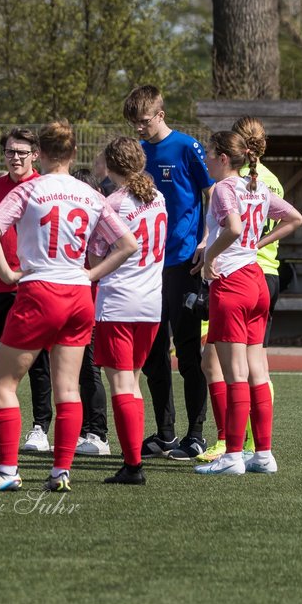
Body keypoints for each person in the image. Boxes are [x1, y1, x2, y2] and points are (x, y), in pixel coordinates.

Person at [0, 120, 137, 493]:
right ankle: (60, 471)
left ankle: (8, 472)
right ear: (74, 153)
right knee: (68, 389)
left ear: (39, 153)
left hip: (40, 289)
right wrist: (91, 275)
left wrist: (8, 275)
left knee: (1, 384)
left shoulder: (30, 189)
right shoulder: (90, 194)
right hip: (77, 295)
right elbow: (127, 244)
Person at [194, 130, 302, 476]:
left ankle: (232, 456)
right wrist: (258, 244)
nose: (205, 159)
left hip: (234, 283)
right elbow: (295, 218)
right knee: (258, 371)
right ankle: (264, 454)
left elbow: (235, 228)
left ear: (224, 158)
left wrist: (210, 256)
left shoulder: (226, 188)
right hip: (257, 282)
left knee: (234, 374)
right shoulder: (255, 186)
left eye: (209, 153)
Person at [124, 85, 212, 460]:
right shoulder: (138, 153)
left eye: (143, 121)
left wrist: (206, 241)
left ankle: (196, 434)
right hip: (147, 266)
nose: (139, 129)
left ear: (160, 114)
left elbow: (212, 194)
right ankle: (165, 433)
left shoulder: (187, 147)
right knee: (153, 352)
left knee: (189, 351)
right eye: (134, 123)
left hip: (183, 263)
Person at [0, 128, 53, 453]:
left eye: (21, 151)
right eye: (9, 152)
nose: (15, 157)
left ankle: (40, 428)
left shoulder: (44, 188)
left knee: (38, 361)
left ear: (35, 155)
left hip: (33, 286)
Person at [89, 137, 168, 485]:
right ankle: (133, 459)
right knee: (133, 380)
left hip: (119, 300)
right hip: (151, 302)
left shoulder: (113, 203)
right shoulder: (157, 196)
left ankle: (133, 465)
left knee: (121, 382)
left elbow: (95, 257)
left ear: (110, 165)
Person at [69, 166, 112, 456]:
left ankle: (98, 434)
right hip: (73, 300)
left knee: (90, 370)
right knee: (75, 372)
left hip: (94, 303)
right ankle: (85, 430)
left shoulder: (102, 220)